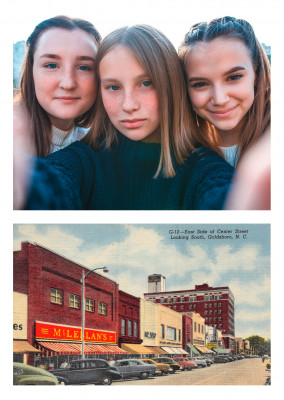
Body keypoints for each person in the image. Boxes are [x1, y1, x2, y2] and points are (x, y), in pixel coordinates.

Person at [14, 24, 234, 210]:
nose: (128, 105)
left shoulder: (207, 170)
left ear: (171, 86)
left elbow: (226, 199)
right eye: (113, 87)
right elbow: (50, 183)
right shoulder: (84, 159)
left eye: (146, 83)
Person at [178, 16, 271, 167]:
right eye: (201, 84)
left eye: (234, 77)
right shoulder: (182, 156)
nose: (220, 99)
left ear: (257, 74)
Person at [15, 15, 101, 157]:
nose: (68, 83)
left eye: (84, 68)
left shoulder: (100, 148)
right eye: (52, 65)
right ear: (31, 72)